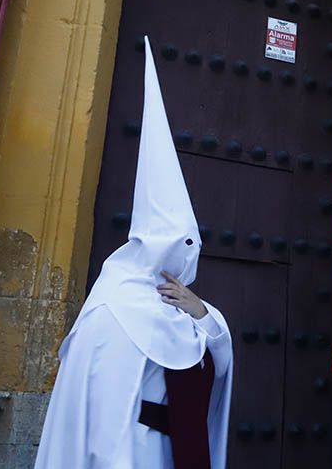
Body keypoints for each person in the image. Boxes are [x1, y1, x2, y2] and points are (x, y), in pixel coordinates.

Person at [34, 37, 233, 469]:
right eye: (180, 244)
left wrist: (201, 313)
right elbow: (104, 412)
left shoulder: (179, 309)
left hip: (166, 452)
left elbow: (215, 359)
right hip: (131, 453)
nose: (187, 257)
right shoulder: (112, 307)